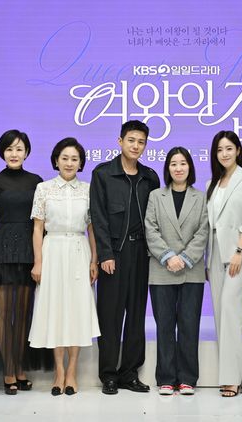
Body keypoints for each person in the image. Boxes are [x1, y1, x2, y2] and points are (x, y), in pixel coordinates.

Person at [90, 120, 160, 395]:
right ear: (120, 141)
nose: (136, 146)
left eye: (141, 142)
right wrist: (105, 254)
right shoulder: (103, 173)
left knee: (136, 316)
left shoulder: (150, 177)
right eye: (131, 140)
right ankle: (108, 374)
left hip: (142, 253)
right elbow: (98, 217)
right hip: (114, 254)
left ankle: (130, 373)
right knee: (110, 316)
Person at [0, 130, 47, 395]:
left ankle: (20, 368)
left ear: (27, 152)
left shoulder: (36, 181)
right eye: (9, 149)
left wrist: (41, 257)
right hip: (3, 251)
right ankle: (8, 371)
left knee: (24, 314)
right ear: (2, 153)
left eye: (19, 149)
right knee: (5, 314)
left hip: (28, 251)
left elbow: (41, 221)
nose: (14, 154)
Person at [28, 138, 101, 396]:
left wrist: (94, 260)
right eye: (65, 158)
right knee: (56, 310)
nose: (69, 163)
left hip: (79, 250)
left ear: (81, 163)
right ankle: (58, 371)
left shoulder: (89, 190)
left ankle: (72, 372)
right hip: (53, 251)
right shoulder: (43, 189)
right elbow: (37, 228)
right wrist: (38, 262)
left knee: (77, 310)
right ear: (56, 160)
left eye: (74, 159)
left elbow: (92, 228)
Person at [144, 147, 209, 396]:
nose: (178, 168)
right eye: (173, 164)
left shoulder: (200, 197)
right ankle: (166, 378)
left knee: (189, 325)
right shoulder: (155, 196)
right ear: (167, 168)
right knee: (165, 326)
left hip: (192, 271)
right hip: (161, 269)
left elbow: (203, 231)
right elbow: (150, 229)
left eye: (183, 163)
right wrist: (168, 257)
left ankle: (188, 378)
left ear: (190, 167)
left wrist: (185, 258)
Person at [206, 130, 242, 397]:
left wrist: (239, 250)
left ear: (238, 150)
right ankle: (234, 374)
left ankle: (231, 379)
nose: (224, 154)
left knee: (231, 311)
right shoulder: (212, 183)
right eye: (220, 149)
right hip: (215, 254)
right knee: (221, 315)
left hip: (240, 252)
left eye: (229, 148)